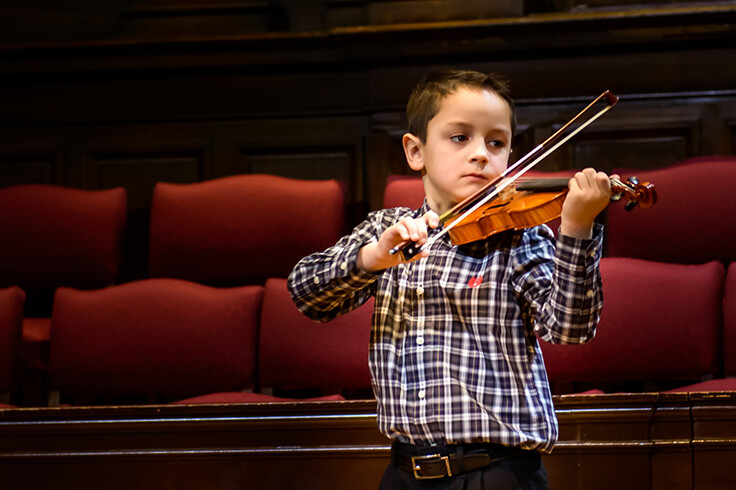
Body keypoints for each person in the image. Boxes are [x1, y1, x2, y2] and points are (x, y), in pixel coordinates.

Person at [287, 69, 613, 489]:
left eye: (496, 143)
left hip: (498, 472)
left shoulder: (519, 236)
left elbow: (570, 328)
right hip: (404, 472)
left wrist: (577, 228)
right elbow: (306, 293)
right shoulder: (388, 230)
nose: (481, 153)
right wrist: (371, 258)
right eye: (460, 137)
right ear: (415, 151)